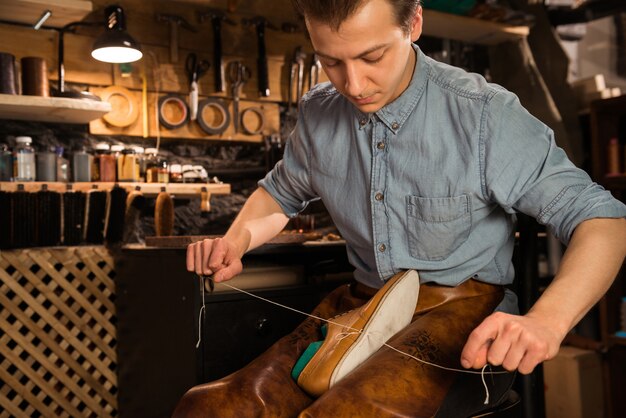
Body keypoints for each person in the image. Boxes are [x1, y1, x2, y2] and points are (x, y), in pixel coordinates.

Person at [178, 0, 626, 416]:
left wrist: (547, 321)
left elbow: (604, 221)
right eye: (331, 61)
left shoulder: (484, 114)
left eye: (372, 57)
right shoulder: (320, 111)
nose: (352, 84)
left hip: (464, 311)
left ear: (413, 24)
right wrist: (235, 241)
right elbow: (282, 191)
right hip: (361, 307)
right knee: (211, 408)